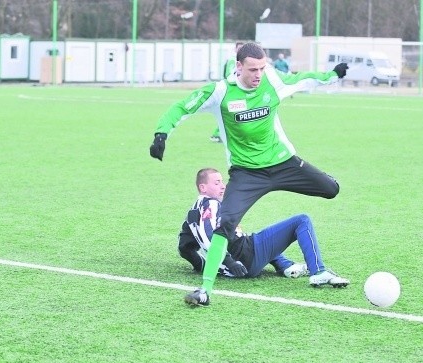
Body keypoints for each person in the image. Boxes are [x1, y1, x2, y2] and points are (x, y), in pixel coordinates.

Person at [149, 42, 349, 307]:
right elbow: (182, 107)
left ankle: (313, 270)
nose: (258, 75)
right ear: (238, 66)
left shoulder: (272, 81)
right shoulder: (220, 93)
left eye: (262, 69)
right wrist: (162, 133)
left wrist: (332, 75)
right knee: (225, 225)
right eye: (253, 69)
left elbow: (302, 80)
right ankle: (205, 290)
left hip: (283, 163)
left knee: (331, 189)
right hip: (247, 174)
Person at [178, 168, 349, 297]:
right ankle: (318, 272)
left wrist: (203, 266)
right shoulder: (211, 204)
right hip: (247, 257)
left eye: (222, 182)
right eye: (217, 183)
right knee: (301, 221)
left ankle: (286, 266)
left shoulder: (192, 213)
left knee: (258, 237)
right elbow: (210, 237)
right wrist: (229, 262)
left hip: (241, 262)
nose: (223, 187)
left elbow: (184, 247)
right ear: (203, 187)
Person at [210, 41, 244, 143]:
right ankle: (216, 134)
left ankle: (226, 134)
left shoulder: (241, 60)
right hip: (232, 90)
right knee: (231, 112)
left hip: (238, 90)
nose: (240, 51)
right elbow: (229, 74)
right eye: (239, 48)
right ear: (235, 49)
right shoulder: (232, 60)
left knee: (236, 113)